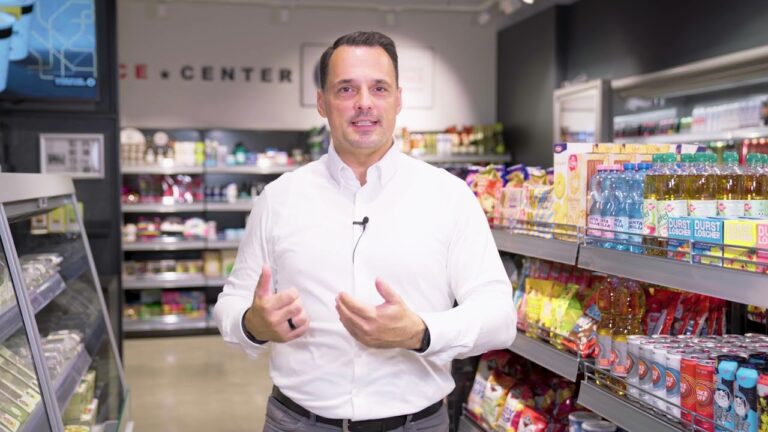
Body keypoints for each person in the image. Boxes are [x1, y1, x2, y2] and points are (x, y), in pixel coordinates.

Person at [214, 30, 516, 432]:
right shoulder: (279, 198)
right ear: (322, 102)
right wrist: (253, 324)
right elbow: (231, 302)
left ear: (398, 99)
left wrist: (421, 332)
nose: (364, 103)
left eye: (379, 88)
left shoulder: (449, 196)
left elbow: (499, 316)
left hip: (415, 424)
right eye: (346, 89)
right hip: (297, 422)